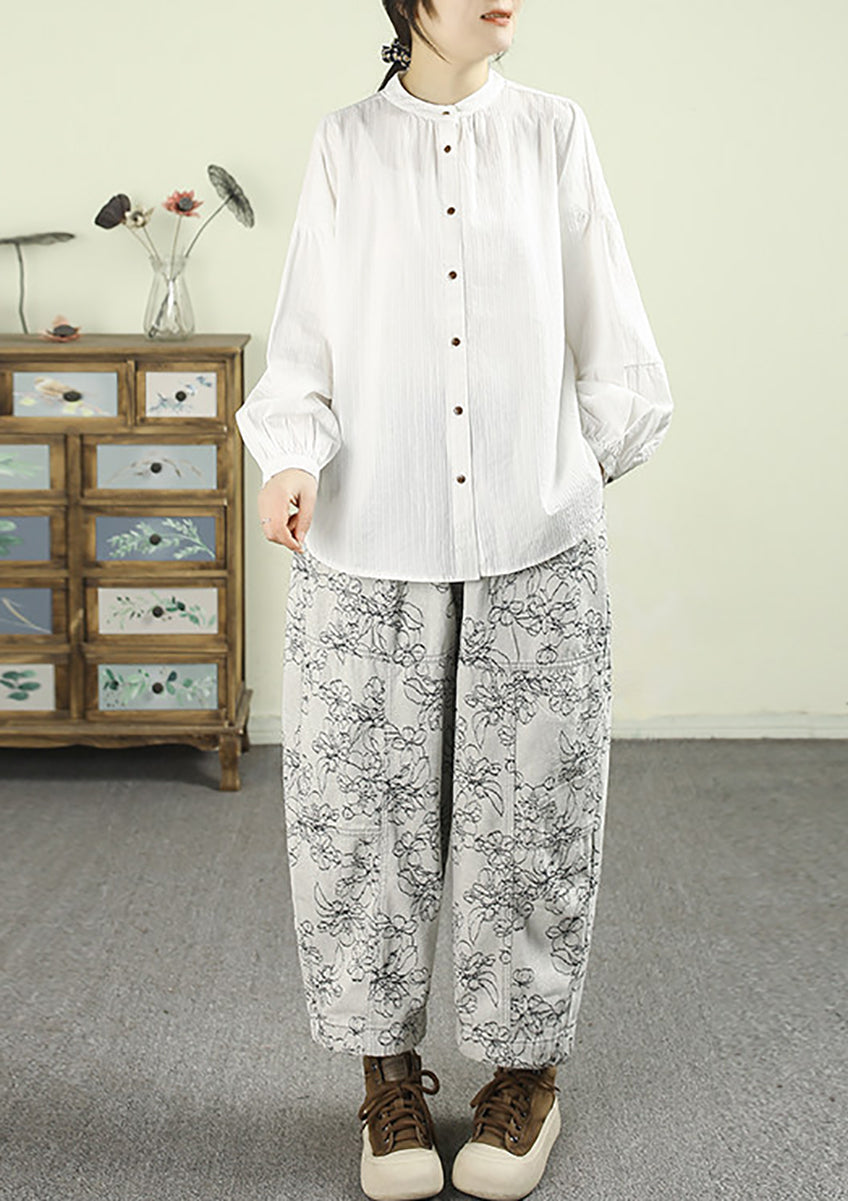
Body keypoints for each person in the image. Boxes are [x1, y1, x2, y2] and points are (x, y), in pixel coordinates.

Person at [235, 2, 674, 1198]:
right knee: (361, 820)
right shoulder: (346, 143)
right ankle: (386, 1079)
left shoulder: (553, 132)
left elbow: (612, 329)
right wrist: (291, 456)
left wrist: (570, 470)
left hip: (536, 546)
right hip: (368, 543)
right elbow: (307, 337)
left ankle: (526, 1078)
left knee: (535, 818)